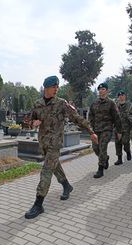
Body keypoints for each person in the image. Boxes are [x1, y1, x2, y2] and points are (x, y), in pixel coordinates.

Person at [24, 75, 98, 219]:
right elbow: (29, 121)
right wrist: (33, 123)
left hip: (55, 144)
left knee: (46, 171)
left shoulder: (61, 103)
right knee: (54, 165)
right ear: (46, 87)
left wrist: (91, 132)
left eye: (57, 87)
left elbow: (77, 118)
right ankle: (66, 186)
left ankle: (38, 204)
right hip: (43, 143)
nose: (57, 89)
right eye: (54, 87)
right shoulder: (37, 104)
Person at [89, 82, 122, 178]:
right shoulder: (94, 103)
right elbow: (90, 117)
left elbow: (117, 117)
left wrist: (119, 131)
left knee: (102, 147)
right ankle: (105, 158)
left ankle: (100, 169)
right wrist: (90, 129)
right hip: (96, 130)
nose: (101, 91)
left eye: (103, 89)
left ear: (107, 91)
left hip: (107, 129)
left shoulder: (111, 103)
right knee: (96, 148)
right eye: (99, 89)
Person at [114, 90, 132, 165]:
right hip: (117, 128)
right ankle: (119, 159)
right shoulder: (115, 106)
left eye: (122, 95)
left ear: (125, 96)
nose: (121, 97)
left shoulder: (130, 105)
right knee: (117, 143)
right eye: (120, 96)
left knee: (125, 142)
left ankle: (128, 151)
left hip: (126, 128)